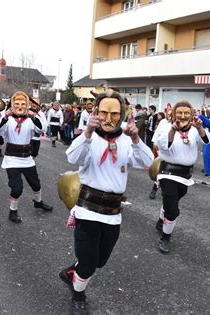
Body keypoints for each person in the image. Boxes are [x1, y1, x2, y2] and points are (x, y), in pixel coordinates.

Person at [59, 89, 153, 312]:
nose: (108, 118)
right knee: (89, 263)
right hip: (87, 211)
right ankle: (78, 292)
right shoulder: (89, 137)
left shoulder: (127, 140)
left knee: (99, 261)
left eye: (114, 113)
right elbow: (72, 156)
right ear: (95, 112)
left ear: (121, 114)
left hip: (112, 214)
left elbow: (147, 162)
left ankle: (72, 272)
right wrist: (89, 132)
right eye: (103, 113)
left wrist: (136, 138)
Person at [154, 100, 210, 253]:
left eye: (186, 113)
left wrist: (200, 128)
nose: (183, 115)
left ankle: (161, 220)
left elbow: (208, 140)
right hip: (168, 174)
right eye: (179, 112)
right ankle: (165, 238)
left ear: (191, 115)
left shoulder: (194, 129)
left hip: (185, 176)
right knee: (172, 210)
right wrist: (173, 130)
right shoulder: (166, 126)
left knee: (171, 203)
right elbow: (162, 146)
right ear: (174, 114)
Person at [0, 91, 53, 223]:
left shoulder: (30, 121)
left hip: (27, 159)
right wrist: (4, 116)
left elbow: (42, 129)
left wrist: (34, 117)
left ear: (27, 106)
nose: (20, 106)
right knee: (17, 188)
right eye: (17, 104)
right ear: (12, 105)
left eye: (23, 104)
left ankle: (38, 202)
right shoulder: (7, 119)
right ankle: (12, 211)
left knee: (36, 184)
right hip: (12, 159)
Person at [148, 111, 166, 199]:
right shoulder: (163, 122)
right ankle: (154, 189)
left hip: (174, 154)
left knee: (169, 174)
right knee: (160, 171)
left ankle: (165, 191)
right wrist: (155, 144)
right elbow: (157, 134)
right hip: (162, 151)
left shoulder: (181, 125)